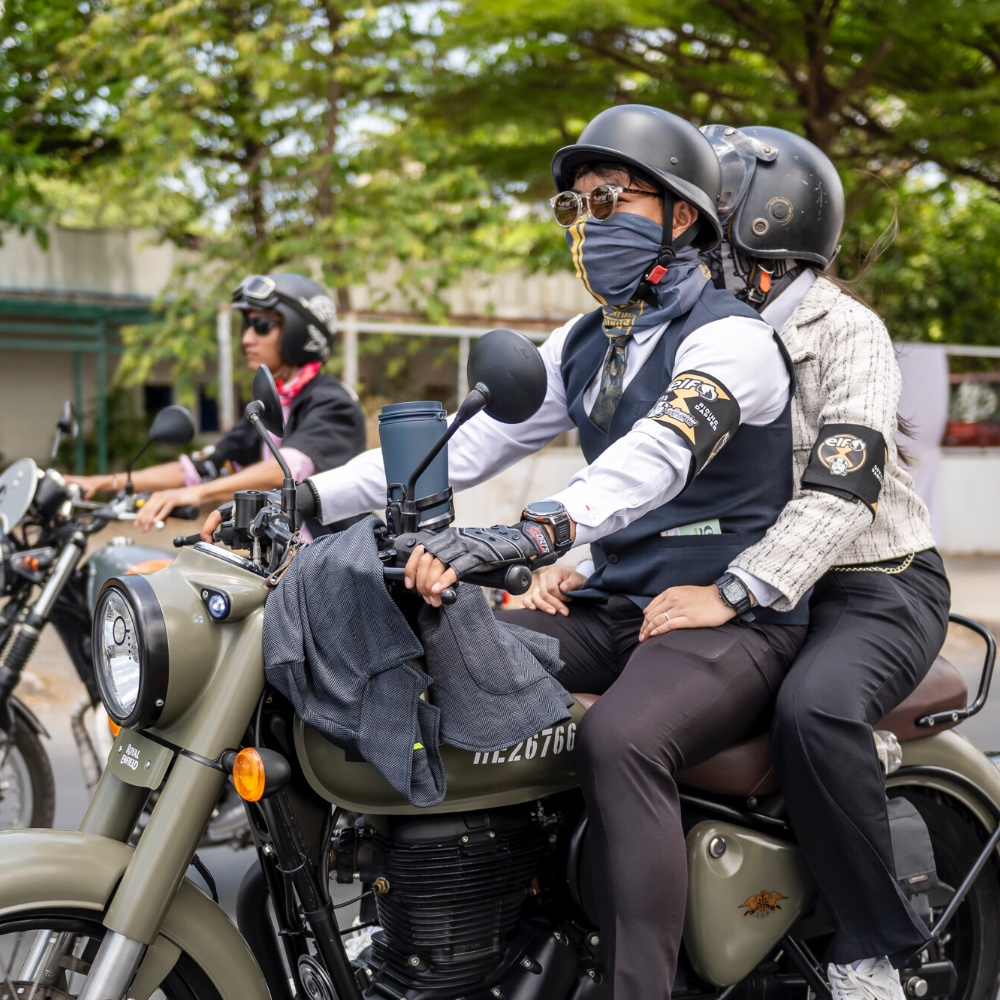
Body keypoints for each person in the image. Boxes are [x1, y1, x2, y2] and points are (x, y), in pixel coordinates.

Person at [216, 104, 810, 1000]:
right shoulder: (587, 343)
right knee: (434, 649)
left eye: (610, 199)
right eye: (576, 206)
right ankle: (476, 913)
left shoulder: (732, 340)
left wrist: (537, 531)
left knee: (620, 738)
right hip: (615, 609)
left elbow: (656, 455)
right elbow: (463, 447)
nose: (588, 224)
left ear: (682, 214)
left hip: (729, 618)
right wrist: (306, 497)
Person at [612, 125, 945, 1000]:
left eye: (703, 223)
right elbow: (650, 462)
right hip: (757, 582)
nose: (682, 240)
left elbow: (843, 490)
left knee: (813, 708)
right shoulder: (699, 328)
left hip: (874, 583)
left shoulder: (849, 330)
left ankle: (872, 952)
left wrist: (731, 590)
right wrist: (567, 552)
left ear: (763, 226)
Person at [70, 272, 367, 536]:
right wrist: (100, 483)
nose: (246, 339)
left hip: (331, 565)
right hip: (282, 561)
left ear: (299, 331)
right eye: (246, 325)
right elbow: (202, 467)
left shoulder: (332, 401)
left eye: (262, 325)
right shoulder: (272, 403)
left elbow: (285, 468)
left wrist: (195, 495)